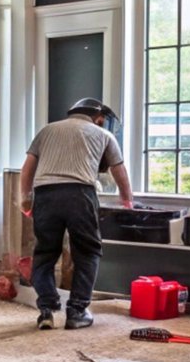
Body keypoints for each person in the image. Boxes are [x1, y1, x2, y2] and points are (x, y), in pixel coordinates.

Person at [19, 98, 134, 331]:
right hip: (79, 194)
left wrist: (25, 199)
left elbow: (28, 168)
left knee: (44, 254)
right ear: (98, 118)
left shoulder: (46, 130)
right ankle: (77, 311)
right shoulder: (104, 135)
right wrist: (127, 200)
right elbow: (118, 170)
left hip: (45, 194)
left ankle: (46, 310)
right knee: (88, 251)